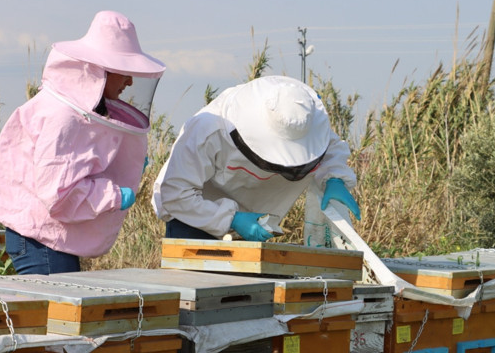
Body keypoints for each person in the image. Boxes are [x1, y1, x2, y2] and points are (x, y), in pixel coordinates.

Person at [0, 11, 165, 274]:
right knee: (57, 314)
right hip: (42, 238)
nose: (130, 81)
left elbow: (74, 164)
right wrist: (113, 195)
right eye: (124, 71)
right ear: (99, 70)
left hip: (47, 237)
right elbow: (58, 194)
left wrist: (122, 161)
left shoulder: (73, 110)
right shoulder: (64, 116)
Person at [152, 75, 359, 241]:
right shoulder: (208, 129)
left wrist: (335, 178)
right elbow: (176, 195)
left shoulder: (304, 124)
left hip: (253, 224)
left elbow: (330, 149)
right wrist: (232, 219)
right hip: (194, 220)